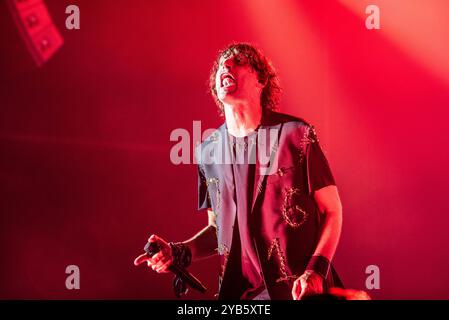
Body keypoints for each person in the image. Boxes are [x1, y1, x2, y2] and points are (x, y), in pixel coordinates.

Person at [134, 43, 343, 300]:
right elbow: (218, 231)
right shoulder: (207, 152)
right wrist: (179, 253)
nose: (226, 65)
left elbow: (332, 210)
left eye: (238, 61)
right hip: (243, 295)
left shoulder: (296, 134)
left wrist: (317, 271)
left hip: (299, 291)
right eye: (222, 64)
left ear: (261, 79)